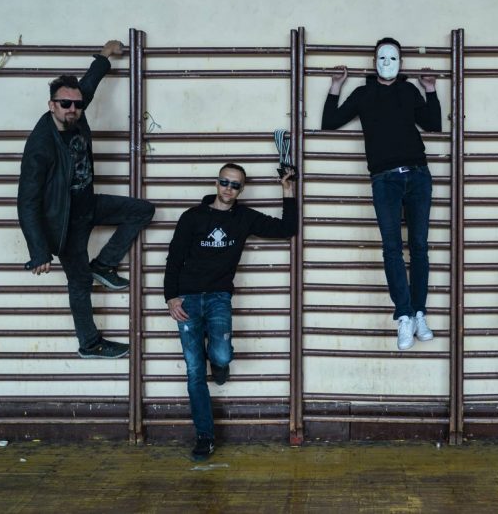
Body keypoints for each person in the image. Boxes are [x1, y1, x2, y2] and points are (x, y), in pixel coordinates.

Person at [17, 40, 154, 359]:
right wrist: (39, 250)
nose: (72, 109)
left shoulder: (76, 113)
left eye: (77, 105)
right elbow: (27, 201)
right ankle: (90, 343)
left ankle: (103, 265)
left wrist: (104, 56)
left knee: (142, 211)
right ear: (52, 105)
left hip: (87, 203)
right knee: (79, 282)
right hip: (65, 222)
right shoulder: (40, 146)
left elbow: (88, 85)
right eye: (65, 104)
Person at [164, 164, 297, 462]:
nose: (228, 188)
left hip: (218, 298)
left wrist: (287, 190)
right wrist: (170, 297)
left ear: (241, 190)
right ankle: (205, 436)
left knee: (222, 356)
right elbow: (174, 257)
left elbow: (287, 229)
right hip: (187, 299)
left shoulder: (244, 218)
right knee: (195, 371)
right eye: (224, 182)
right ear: (216, 183)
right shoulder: (192, 217)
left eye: (235, 185)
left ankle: (219, 364)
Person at [321, 37, 441, 351]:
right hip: (384, 179)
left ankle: (419, 312)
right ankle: (404, 315)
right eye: (382, 58)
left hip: (418, 175)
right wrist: (336, 86)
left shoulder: (408, 91)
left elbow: (432, 124)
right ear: (374, 62)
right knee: (392, 248)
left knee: (419, 246)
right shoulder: (363, 94)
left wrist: (430, 89)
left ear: (401, 62)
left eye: (393, 58)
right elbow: (330, 122)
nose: (387, 63)